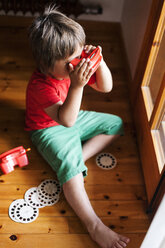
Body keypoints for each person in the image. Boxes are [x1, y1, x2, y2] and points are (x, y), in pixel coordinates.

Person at [25, 5, 130, 248]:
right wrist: (77, 86)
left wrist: (99, 63)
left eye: (80, 54)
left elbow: (106, 88)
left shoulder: (71, 69)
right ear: (46, 64)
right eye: (71, 60)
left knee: (115, 123)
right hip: (47, 129)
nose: (78, 62)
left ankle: (75, 161)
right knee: (71, 173)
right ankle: (94, 225)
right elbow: (66, 121)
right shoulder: (40, 86)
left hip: (70, 115)